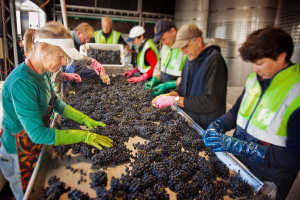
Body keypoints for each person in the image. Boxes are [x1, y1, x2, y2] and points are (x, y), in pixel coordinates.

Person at [0, 22, 113, 200]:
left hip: (37, 146)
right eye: (60, 56)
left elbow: (56, 103)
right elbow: (37, 133)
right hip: (19, 154)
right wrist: (84, 136)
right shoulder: (20, 83)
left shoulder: (42, 71)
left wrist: (84, 119)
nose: (63, 63)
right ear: (42, 47)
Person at [203, 26, 300, 200]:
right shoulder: (255, 80)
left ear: (281, 56)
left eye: (260, 63)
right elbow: (236, 112)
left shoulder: (296, 92)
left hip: (271, 177)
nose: (254, 69)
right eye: (253, 63)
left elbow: (294, 156)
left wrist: (243, 147)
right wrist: (220, 124)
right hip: (242, 165)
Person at [153, 23, 228, 129]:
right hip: (192, 120)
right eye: (181, 48)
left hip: (208, 127)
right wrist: (169, 95)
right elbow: (184, 87)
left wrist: (175, 100)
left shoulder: (214, 61)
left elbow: (210, 101)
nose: (183, 52)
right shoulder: (190, 59)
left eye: (186, 46)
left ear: (198, 41)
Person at [145, 18, 187, 96]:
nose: (163, 43)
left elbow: (190, 78)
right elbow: (159, 65)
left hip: (177, 95)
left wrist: (168, 85)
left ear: (173, 31)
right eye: (161, 40)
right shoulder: (165, 47)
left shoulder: (186, 49)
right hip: (163, 94)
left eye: (164, 39)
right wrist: (155, 78)